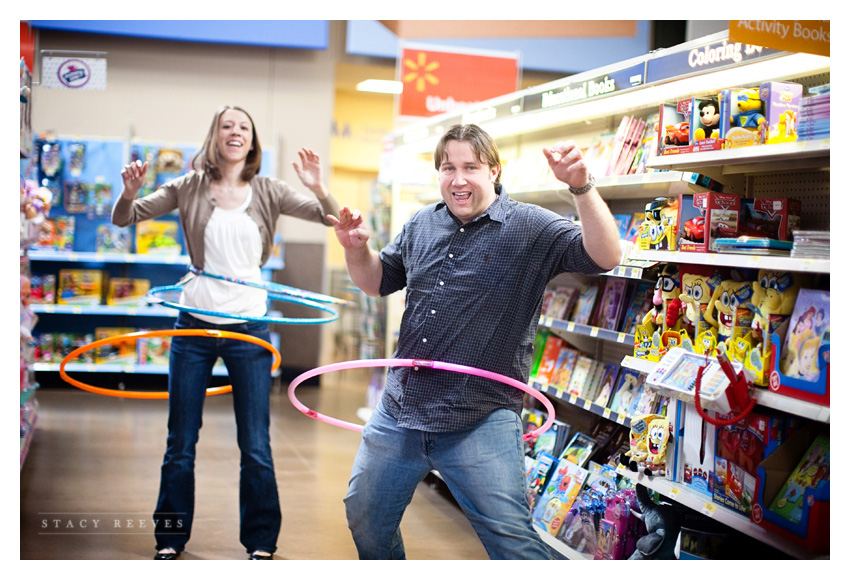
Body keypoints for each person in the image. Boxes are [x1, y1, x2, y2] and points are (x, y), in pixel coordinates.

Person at [330, 123, 621, 559]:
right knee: (365, 517)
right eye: (448, 167)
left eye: (470, 166)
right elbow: (376, 281)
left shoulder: (531, 226)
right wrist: (355, 249)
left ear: (494, 171)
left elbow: (606, 256)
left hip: (479, 416)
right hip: (401, 410)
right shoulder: (422, 223)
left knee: (512, 543)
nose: (458, 179)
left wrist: (581, 187)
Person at [112, 105, 340, 560]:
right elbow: (125, 217)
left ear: (252, 142)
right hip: (194, 324)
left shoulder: (269, 190)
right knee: (181, 441)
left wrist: (318, 186)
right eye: (226, 126)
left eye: (243, 128)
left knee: (255, 442)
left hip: (249, 326)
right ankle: (170, 539)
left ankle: (260, 541)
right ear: (215, 136)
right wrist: (129, 191)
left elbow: (331, 219)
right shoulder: (188, 185)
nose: (235, 133)